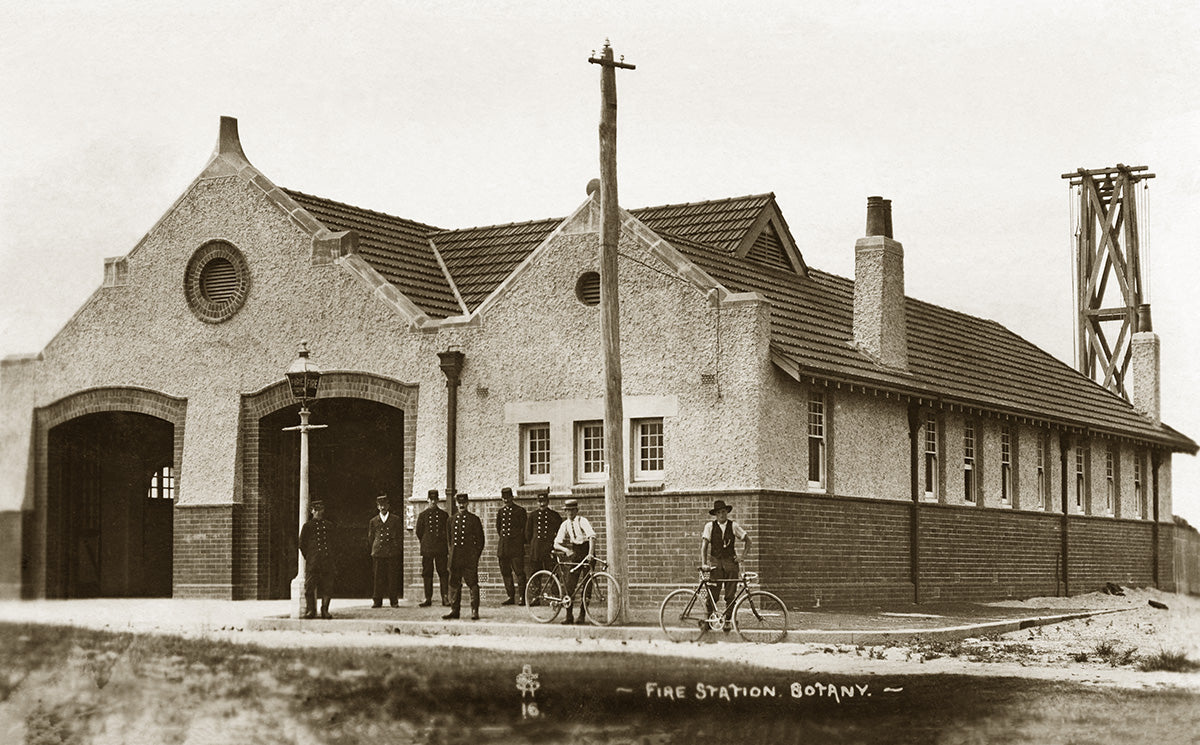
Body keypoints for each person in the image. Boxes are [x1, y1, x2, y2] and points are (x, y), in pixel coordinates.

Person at [699, 499, 751, 627]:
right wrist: (704, 563)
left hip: (730, 563)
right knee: (713, 593)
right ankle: (708, 620)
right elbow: (704, 546)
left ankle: (728, 620)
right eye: (719, 513)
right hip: (716, 563)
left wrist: (742, 557)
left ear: (727, 512)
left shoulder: (733, 526)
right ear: (715, 514)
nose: (721, 515)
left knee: (730, 594)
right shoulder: (709, 526)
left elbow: (748, 541)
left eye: (723, 512)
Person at [552, 498, 595, 625]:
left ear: (576, 510)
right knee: (570, 584)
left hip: (587, 552)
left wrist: (590, 554)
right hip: (575, 553)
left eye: (572, 510)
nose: (570, 513)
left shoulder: (583, 521)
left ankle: (582, 615)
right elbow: (556, 543)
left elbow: (592, 537)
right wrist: (566, 550)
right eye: (568, 511)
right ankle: (568, 615)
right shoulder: (565, 524)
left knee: (587, 585)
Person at [444, 492, 485, 620]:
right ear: (456, 504)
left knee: (472, 583)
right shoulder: (451, 520)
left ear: (467, 503)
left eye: (463, 503)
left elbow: (480, 541)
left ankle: (474, 610)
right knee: (454, 584)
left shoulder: (474, 520)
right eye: (459, 503)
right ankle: (454, 610)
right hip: (455, 558)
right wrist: (451, 556)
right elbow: (449, 541)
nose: (461, 505)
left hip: (469, 558)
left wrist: (474, 556)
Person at [299, 499, 334, 619]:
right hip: (313, 562)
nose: (319, 512)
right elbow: (302, 544)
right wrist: (309, 557)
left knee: (327, 586)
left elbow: (334, 543)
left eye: (321, 510)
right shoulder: (307, 526)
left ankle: (325, 610)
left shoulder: (329, 525)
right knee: (309, 587)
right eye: (316, 510)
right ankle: (310, 610)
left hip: (326, 561)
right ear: (312, 511)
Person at [415, 488, 450, 607]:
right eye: (431, 500)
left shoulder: (444, 515)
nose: (433, 502)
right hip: (427, 549)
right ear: (427, 500)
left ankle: (445, 597)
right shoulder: (423, 515)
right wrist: (426, 543)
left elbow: (447, 532)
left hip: (441, 549)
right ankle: (427, 598)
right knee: (427, 573)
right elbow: (419, 532)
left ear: (438, 500)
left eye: (435, 500)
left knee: (443, 572)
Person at [367, 493, 402, 608]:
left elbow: (399, 536)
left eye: (384, 505)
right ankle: (377, 601)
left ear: (388, 506)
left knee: (392, 577)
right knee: (378, 577)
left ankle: (394, 601)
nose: (382, 507)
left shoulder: (395, 520)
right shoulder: (373, 521)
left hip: (392, 552)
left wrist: (395, 547)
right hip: (378, 552)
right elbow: (371, 537)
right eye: (380, 505)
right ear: (377, 507)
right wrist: (375, 548)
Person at [495, 487, 527, 605]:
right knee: (506, 572)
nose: (506, 500)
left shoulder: (519, 511)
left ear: (512, 497)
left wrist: (517, 542)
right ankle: (510, 596)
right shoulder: (501, 512)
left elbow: (524, 529)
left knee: (519, 572)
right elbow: (499, 528)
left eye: (508, 498)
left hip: (516, 547)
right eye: (504, 498)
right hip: (504, 547)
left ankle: (522, 597)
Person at [525, 488, 561, 579]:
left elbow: (560, 532)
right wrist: (533, 545)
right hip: (536, 549)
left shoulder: (554, 515)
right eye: (540, 502)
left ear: (548, 502)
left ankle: (555, 593)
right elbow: (528, 534)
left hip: (549, 548)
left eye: (544, 501)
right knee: (535, 574)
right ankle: (536, 593)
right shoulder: (533, 516)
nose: (542, 504)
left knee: (553, 573)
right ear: (537, 502)